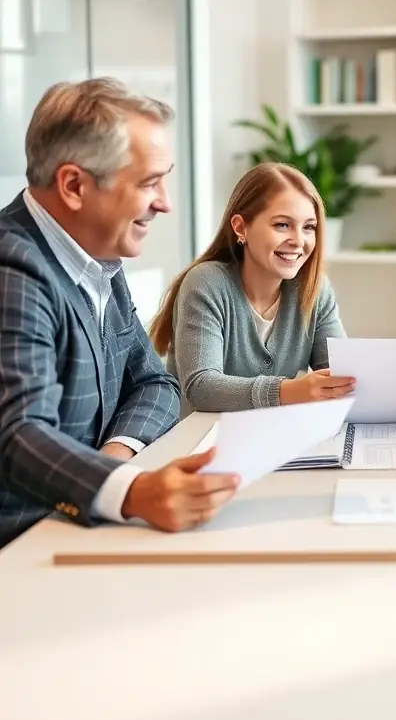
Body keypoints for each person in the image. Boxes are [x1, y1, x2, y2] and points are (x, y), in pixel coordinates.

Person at [0, 78, 239, 548]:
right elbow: (18, 436)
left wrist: (114, 458)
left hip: (78, 527)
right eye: (149, 182)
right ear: (74, 185)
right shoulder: (14, 269)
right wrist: (133, 490)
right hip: (23, 548)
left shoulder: (96, 256)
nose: (165, 202)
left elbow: (153, 384)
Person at [150, 162, 355, 414]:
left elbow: (343, 375)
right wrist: (289, 391)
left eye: (308, 227)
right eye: (282, 225)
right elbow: (201, 386)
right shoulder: (206, 283)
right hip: (200, 443)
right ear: (240, 227)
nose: (298, 241)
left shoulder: (314, 289)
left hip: (272, 441)